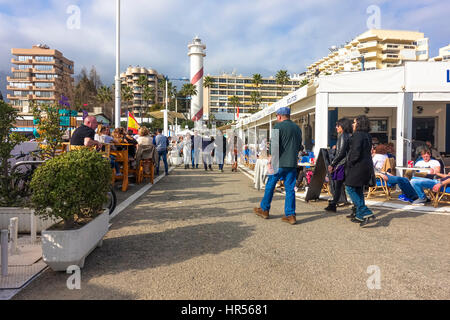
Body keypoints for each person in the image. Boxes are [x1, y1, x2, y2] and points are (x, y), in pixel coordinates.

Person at [253, 107, 303, 225]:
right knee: (290, 188)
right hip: (291, 163)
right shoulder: (297, 128)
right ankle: (290, 215)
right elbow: (299, 146)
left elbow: (274, 146)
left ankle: (264, 209)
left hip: (278, 162)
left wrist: (270, 160)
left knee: (270, 185)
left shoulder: (277, 127)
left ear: (279, 116)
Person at [345, 115, 375, 226]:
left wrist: (350, 162)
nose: (353, 124)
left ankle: (364, 210)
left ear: (359, 124)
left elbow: (355, 152)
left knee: (349, 187)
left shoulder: (357, 135)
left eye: (354, 122)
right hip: (367, 166)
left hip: (358, 166)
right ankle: (359, 215)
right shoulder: (368, 135)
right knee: (358, 189)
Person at [325, 118, 352, 212]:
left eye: (338, 125)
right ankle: (333, 204)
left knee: (339, 185)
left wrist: (332, 164)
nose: (336, 127)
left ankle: (333, 204)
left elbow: (340, 152)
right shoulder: (350, 136)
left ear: (342, 126)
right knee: (340, 185)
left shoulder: (343, 136)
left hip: (342, 164)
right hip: (347, 163)